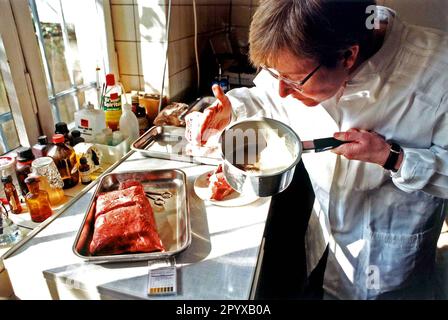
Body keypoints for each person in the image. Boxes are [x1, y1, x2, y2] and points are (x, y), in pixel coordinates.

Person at [186, 0, 448, 299]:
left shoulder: (439, 72)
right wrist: (234, 108)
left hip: (390, 259)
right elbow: (270, 97)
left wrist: (394, 158)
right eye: (276, 75)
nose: (283, 89)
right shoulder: (301, 58)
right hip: (324, 239)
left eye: (294, 81)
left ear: (348, 56)